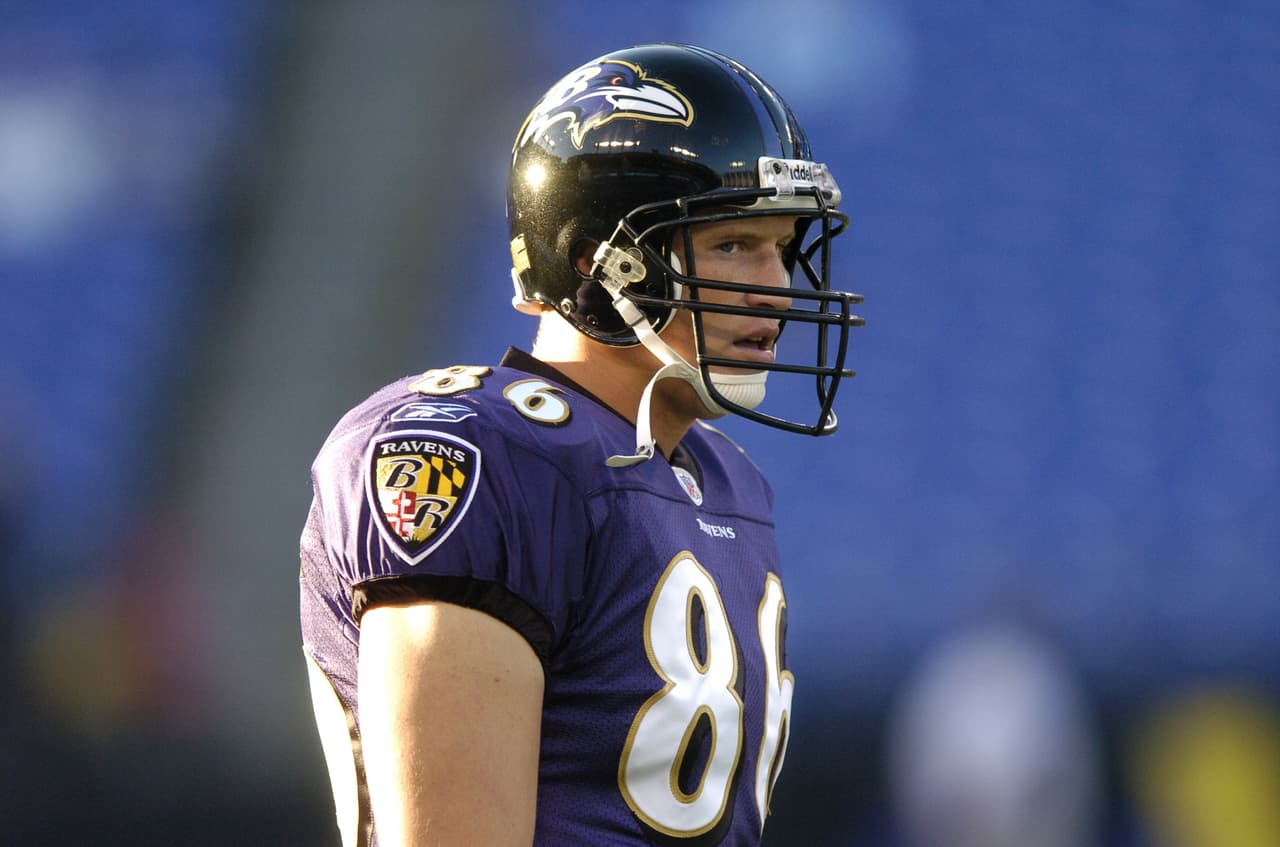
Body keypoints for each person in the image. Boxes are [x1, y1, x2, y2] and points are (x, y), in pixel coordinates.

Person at [300, 42, 864, 846]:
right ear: (600, 263)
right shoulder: (483, 456)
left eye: (783, 247)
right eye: (736, 245)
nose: (776, 287)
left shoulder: (724, 482)